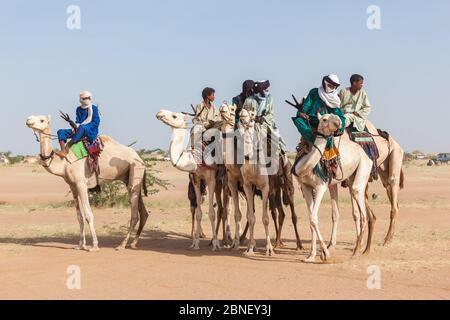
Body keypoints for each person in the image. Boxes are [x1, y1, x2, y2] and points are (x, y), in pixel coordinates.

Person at [292, 74, 346, 146]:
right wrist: (301, 113)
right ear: (324, 83)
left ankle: (328, 145)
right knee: (298, 120)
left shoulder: (335, 99)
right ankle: (313, 139)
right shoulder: (314, 92)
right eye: (330, 86)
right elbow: (305, 107)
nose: (331, 88)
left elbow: (340, 116)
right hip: (311, 120)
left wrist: (339, 127)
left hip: (326, 122)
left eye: (333, 87)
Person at [56, 91, 100, 157]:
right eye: (85, 98)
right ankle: (63, 150)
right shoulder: (79, 109)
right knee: (60, 131)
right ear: (81, 99)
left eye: (88, 98)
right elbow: (78, 121)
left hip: (90, 130)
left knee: (82, 127)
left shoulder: (93, 108)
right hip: (79, 128)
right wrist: (73, 124)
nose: (87, 100)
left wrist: (82, 126)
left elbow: (96, 122)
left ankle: (70, 144)